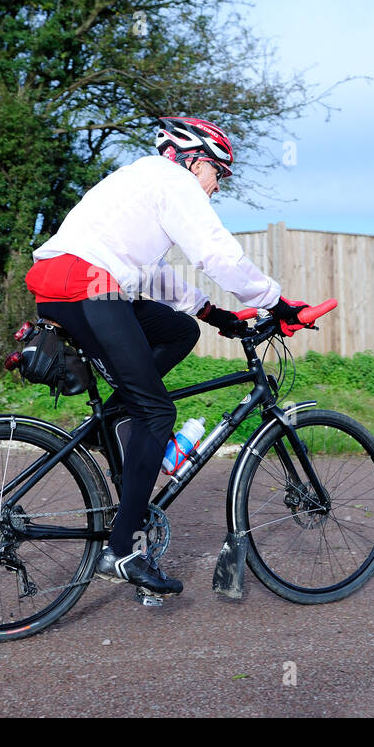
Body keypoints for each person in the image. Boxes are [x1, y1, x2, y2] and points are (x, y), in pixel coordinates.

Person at [24, 116, 314, 599]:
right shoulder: (175, 182)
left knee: (179, 329)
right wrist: (275, 301)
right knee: (158, 412)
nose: (217, 185)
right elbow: (217, 255)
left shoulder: (139, 180)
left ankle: (118, 417)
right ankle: (121, 551)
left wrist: (212, 313)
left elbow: (150, 274)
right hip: (89, 287)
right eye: (218, 173)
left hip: (73, 285)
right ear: (193, 159)